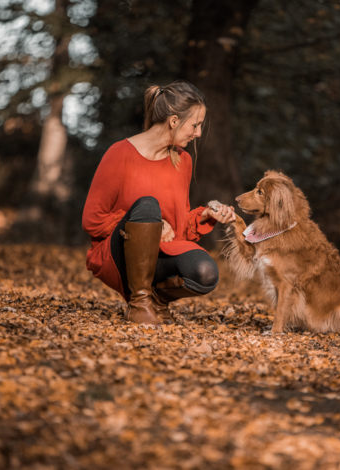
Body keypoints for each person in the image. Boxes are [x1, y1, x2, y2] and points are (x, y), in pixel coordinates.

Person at [82, 80, 236, 327]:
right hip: (118, 255)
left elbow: (179, 227)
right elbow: (92, 219)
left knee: (205, 272)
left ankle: (156, 299)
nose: (198, 133)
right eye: (195, 125)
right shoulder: (119, 153)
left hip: (159, 256)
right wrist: (152, 221)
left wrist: (206, 215)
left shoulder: (182, 161)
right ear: (174, 121)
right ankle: (139, 303)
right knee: (148, 205)